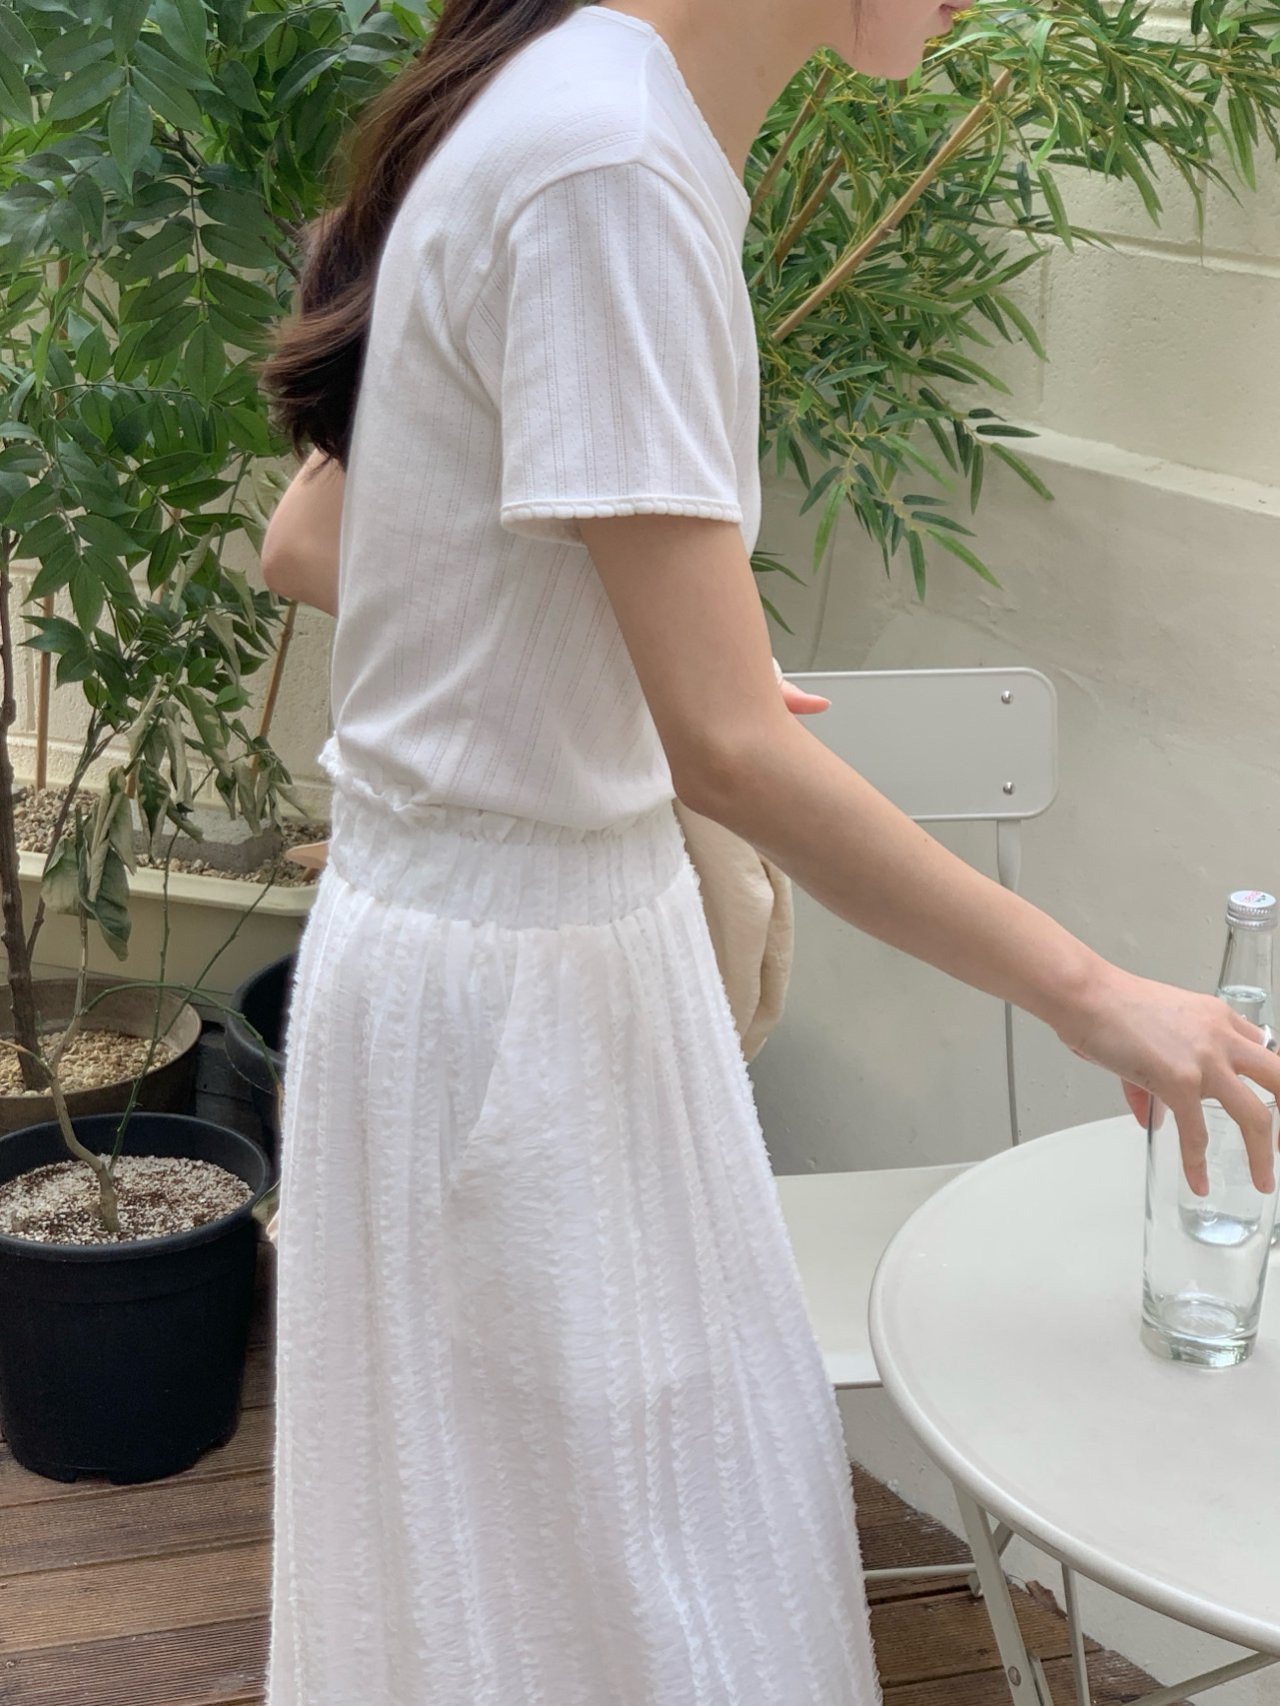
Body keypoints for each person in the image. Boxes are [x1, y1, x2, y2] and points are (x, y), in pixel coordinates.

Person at [257, 2, 1280, 1702]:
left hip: (502, 967)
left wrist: (638, 648)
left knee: (539, 1575)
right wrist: (1098, 992)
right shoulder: (609, 159)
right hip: (522, 993)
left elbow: (371, 544)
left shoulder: (568, 108)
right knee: (623, 1588)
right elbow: (725, 747)